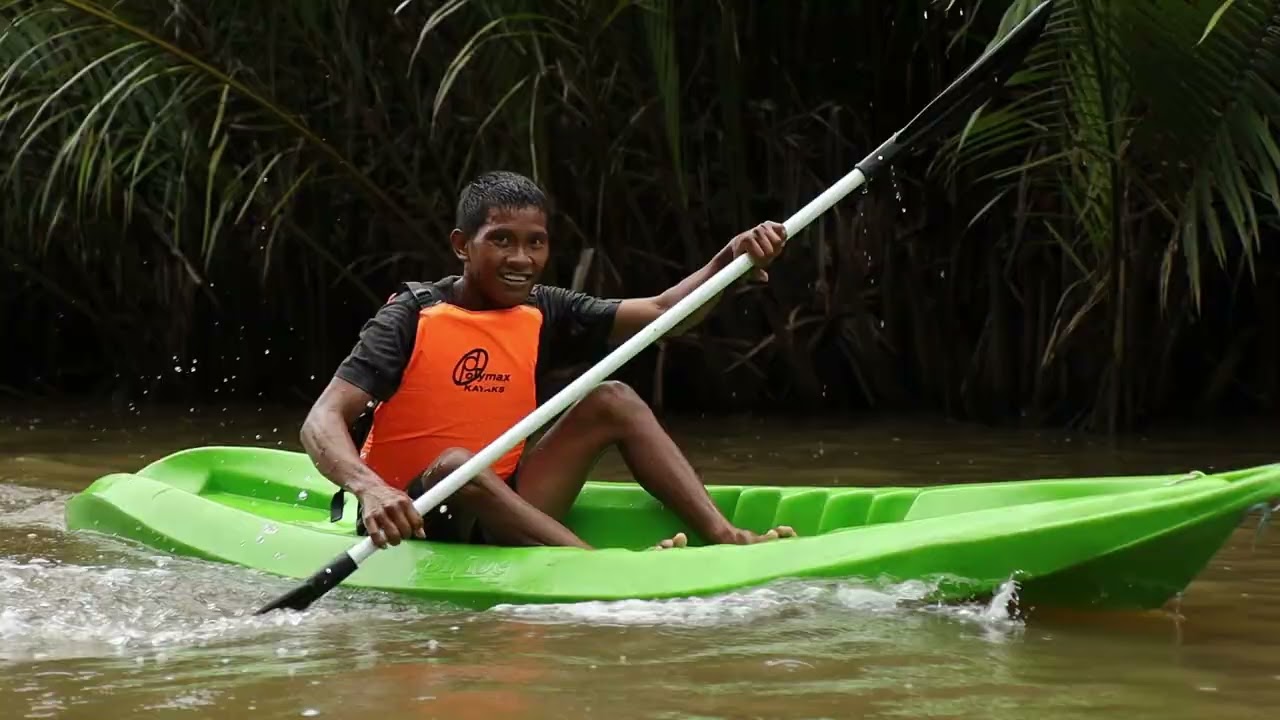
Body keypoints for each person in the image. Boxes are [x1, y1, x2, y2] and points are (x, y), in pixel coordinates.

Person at [300, 170, 796, 551]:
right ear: (461, 246)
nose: (522, 259)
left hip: (506, 504)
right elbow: (322, 419)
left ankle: (725, 535)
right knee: (456, 465)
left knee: (612, 399)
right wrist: (369, 489)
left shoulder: (543, 307)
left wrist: (729, 262)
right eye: (501, 240)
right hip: (412, 516)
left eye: (535, 242)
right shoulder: (411, 316)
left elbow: (664, 312)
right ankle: (593, 565)